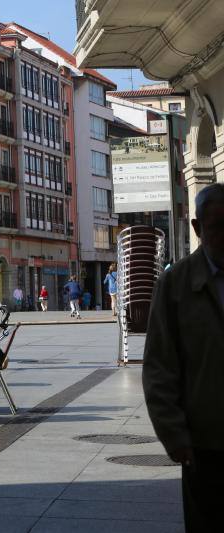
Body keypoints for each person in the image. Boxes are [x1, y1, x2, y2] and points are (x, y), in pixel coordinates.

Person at [143, 183, 224, 532]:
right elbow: (160, 365)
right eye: (216, 226)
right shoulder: (176, 283)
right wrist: (173, 434)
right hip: (205, 441)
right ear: (197, 228)